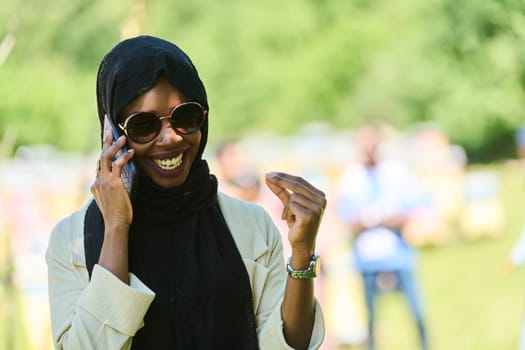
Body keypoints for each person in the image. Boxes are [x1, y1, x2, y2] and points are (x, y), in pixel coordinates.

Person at [45, 35, 326, 350]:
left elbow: (284, 346)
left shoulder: (250, 226)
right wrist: (115, 226)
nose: (170, 138)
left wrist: (302, 253)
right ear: (112, 134)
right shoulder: (73, 240)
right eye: (143, 125)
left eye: (185, 118)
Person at [335, 123, 428, 350]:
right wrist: (370, 220)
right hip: (367, 260)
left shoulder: (397, 172)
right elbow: (346, 217)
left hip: (399, 255)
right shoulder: (351, 176)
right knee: (371, 319)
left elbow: (413, 209)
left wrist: (377, 219)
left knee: (417, 314)